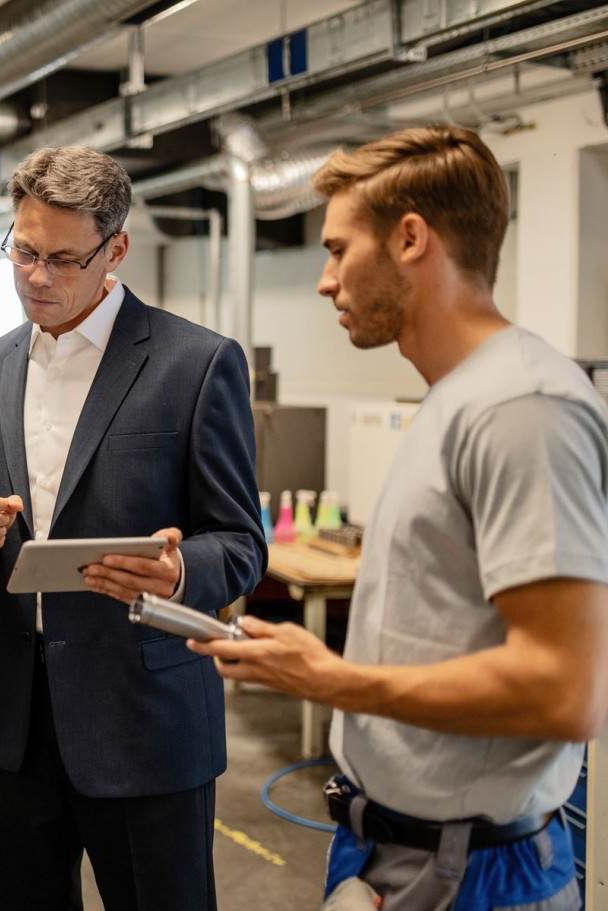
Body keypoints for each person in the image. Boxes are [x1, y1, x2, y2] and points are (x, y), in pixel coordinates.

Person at [190, 126, 608, 910]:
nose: (325, 280)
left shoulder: (522, 407)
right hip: (398, 846)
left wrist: (334, 679)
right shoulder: (456, 396)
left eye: (339, 249)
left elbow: (565, 688)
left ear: (411, 238)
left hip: (473, 870)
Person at [0, 145, 266, 911]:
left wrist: (179, 570)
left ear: (115, 249)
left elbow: (240, 540)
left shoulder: (196, 364)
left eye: (63, 259)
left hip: (145, 724)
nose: (36, 276)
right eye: (23, 252)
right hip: (18, 724)